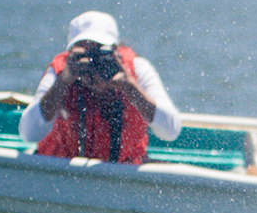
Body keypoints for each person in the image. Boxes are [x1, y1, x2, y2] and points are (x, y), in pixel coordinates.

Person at [19, 10, 181, 164]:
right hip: (63, 171)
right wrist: (62, 83)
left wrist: (129, 87)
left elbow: (171, 131)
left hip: (122, 172)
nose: (93, 64)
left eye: (100, 54)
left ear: (116, 52)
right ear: (71, 54)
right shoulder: (60, 72)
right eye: (84, 55)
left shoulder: (137, 70)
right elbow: (28, 133)